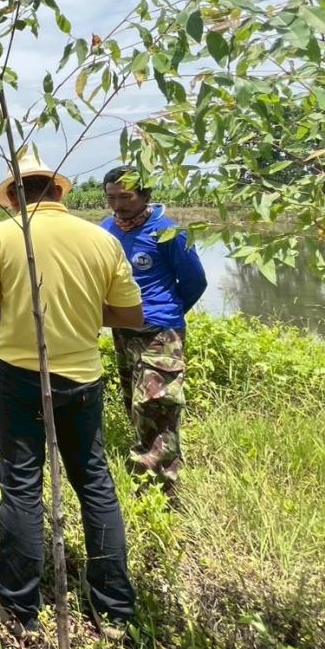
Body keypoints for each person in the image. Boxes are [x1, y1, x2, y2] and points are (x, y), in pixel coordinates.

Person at [0, 150, 143, 632]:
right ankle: (114, 610)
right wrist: (85, 315)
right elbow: (131, 316)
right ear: (59, 191)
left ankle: (20, 608)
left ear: (15, 195)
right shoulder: (101, 239)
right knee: (94, 483)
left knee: (21, 487)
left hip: (18, 378)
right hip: (84, 378)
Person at [101, 166, 207, 498]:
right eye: (111, 198)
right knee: (135, 403)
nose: (118, 205)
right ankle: (150, 473)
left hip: (160, 331)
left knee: (157, 405)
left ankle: (159, 492)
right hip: (122, 330)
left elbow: (194, 282)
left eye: (126, 197)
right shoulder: (104, 232)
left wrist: (165, 314)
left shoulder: (168, 232)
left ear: (146, 195)